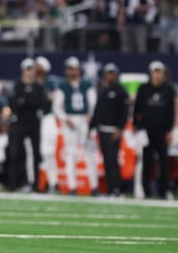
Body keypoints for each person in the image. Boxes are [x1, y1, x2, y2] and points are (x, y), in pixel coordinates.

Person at [133, 61, 177, 199]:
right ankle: (145, 191)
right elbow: (136, 110)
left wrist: (170, 130)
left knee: (164, 162)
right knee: (147, 162)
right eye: (155, 72)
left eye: (159, 72)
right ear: (150, 73)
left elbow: (171, 111)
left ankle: (163, 192)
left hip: (162, 131)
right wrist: (139, 128)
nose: (157, 75)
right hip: (147, 131)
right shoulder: (143, 89)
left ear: (164, 74)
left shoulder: (169, 90)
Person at [53, 56, 98, 195]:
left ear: (79, 69)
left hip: (84, 119)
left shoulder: (87, 84)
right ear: (66, 70)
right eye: (70, 69)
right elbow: (56, 106)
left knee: (89, 153)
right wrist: (65, 118)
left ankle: (94, 187)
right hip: (70, 119)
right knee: (71, 154)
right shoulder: (62, 86)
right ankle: (72, 187)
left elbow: (93, 103)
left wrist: (91, 116)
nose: (72, 72)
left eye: (74, 69)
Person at [89, 63, 130, 196]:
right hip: (102, 130)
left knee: (113, 160)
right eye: (108, 73)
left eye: (112, 73)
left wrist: (120, 129)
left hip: (113, 130)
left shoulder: (121, 92)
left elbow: (124, 113)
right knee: (107, 160)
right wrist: (92, 127)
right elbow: (98, 111)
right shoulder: (103, 91)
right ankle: (110, 188)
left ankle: (118, 187)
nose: (110, 76)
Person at [7, 58, 45, 192]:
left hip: (34, 123)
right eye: (27, 69)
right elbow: (13, 103)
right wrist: (24, 102)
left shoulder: (38, 87)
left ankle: (36, 185)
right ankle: (13, 184)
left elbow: (40, 103)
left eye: (31, 69)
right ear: (23, 70)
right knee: (15, 154)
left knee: (36, 155)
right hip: (20, 123)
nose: (29, 72)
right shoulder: (17, 86)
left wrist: (24, 102)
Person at [36, 56, 62, 192]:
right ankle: (35, 183)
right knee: (34, 153)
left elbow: (56, 100)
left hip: (48, 118)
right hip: (34, 119)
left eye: (38, 66)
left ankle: (52, 182)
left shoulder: (52, 82)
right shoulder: (31, 82)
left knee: (48, 152)